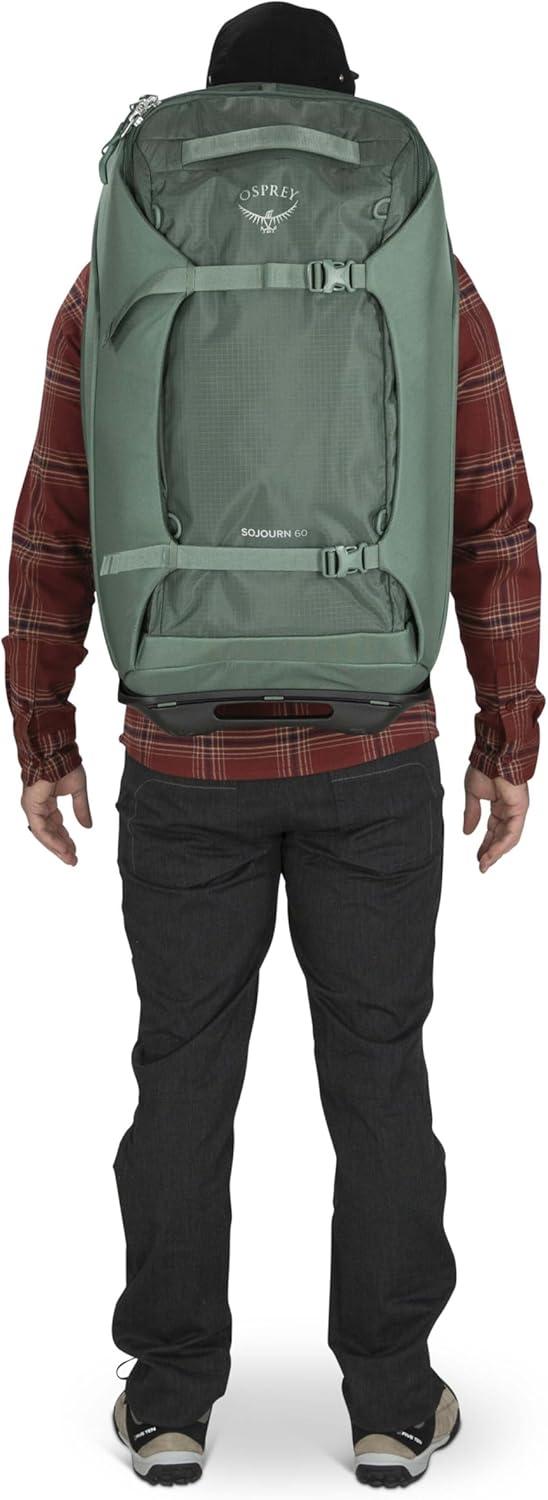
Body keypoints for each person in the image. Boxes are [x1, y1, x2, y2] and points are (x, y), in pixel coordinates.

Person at [4, 2, 543, 1489]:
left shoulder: (118, 263)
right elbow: (491, 506)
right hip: (377, 746)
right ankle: (391, 1402)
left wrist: (42, 725)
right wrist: (509, 736)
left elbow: (58, 504)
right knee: (379, 1072)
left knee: (181, 1073)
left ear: (208, 113)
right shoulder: (424, 269)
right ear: (344, 113)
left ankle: (173, 1399)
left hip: (182, 754)